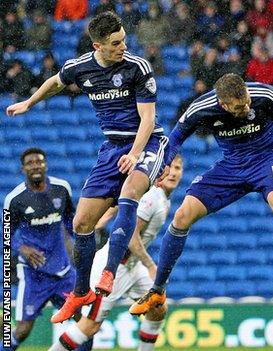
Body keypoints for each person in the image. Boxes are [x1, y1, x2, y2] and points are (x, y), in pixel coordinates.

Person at [6, 11, 168, 324]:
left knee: (131, 192)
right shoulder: (81, 67)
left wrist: (135, 155)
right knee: (81, 224)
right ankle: (81, 292)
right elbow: (55, 82)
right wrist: (29, 102)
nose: (123, 46)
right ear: (98, 45)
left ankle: (108, 272)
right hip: (112, 149)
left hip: (146, 144)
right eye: (116, 43)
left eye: (123, 39)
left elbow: (148, 119)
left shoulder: (137, 67)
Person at [128, 73, 273, 315]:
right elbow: (176, 136)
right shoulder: (201, 108)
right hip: (232, 166)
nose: (247, 107)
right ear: (223, 105)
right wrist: (166, 161)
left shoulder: (265, 95)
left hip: (268, 157)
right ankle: (158, 289)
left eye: (247, 101)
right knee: (181, 216)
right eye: (239, 107)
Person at [48, 155, 184, 351]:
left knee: (158, 309)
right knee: (89, 326)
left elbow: (126, 201)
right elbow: (130, 236)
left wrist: (108, 214)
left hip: (133, 265)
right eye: (170, 167)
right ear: (161, 169)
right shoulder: (153, 197)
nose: (173, 172)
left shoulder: (159, 196)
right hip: (115, 266)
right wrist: (151, 265)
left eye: (178, 168)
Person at [4, 148, 91, 351]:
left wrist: (80, 242)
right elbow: (4, 235)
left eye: (39, 161)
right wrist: (21, 247)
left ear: (46, 165)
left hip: (63, 271)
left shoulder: (61, 189)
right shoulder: (15, 200)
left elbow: (71, 221)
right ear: (23, 168)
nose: (35, 165)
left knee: (84, 324)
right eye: (30, 163)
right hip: (33, 275)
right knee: (22, 330)